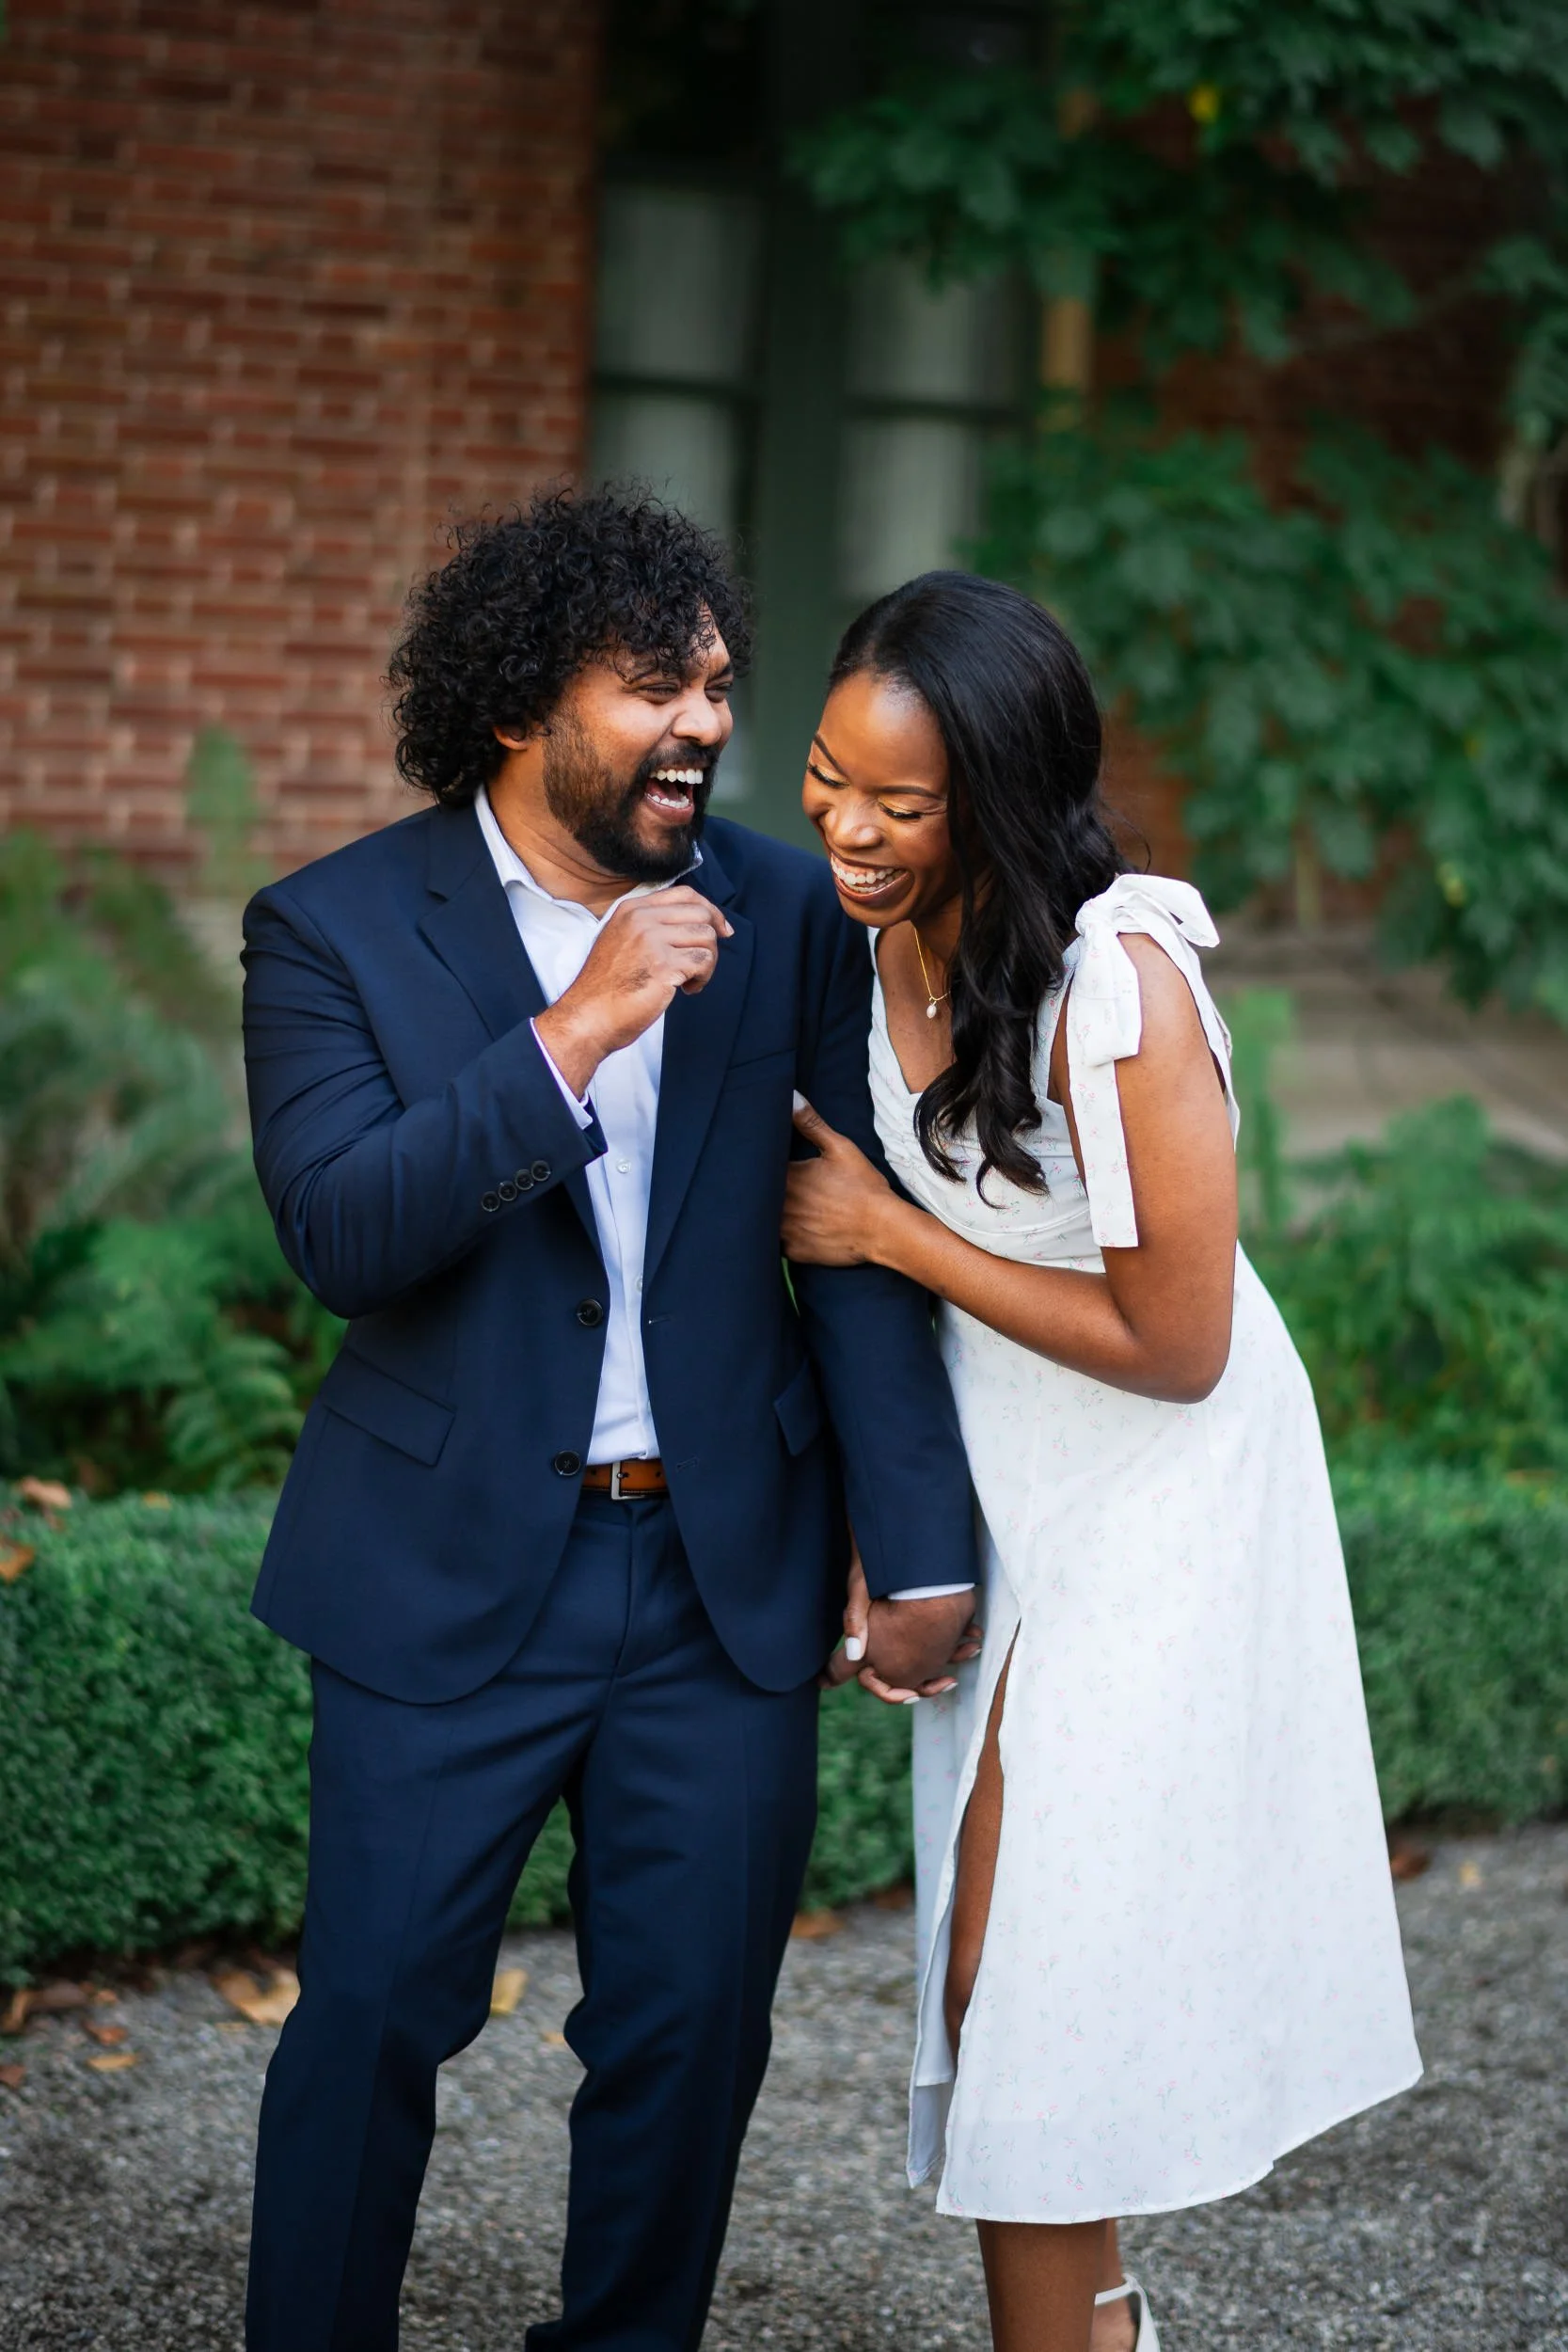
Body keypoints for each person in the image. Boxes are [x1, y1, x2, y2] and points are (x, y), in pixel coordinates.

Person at [238, 489, 979, 2352]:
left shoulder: (790, 910)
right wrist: (573, 1028)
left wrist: (918, 1533)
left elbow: (849, 1235)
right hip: (439, 1577)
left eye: (717, 682)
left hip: (719, 1586)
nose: (706, 725)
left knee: (688, 2033)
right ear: (516, 705)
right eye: (653, 684)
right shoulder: (329, 930)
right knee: (375, 2017)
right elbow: (343, 1231)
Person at [782, 571, 1422, 2352]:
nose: (844, 824)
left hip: (1165, 1490)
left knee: (1022, 1982)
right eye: (828, 773)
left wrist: (889, 1236)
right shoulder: (856, 932)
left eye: (897, 805)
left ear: (993, 797)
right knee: (998, 1989)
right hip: (1015, 1462)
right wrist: (885, 1522)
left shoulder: (1112, 980)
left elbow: (1180, 1341)